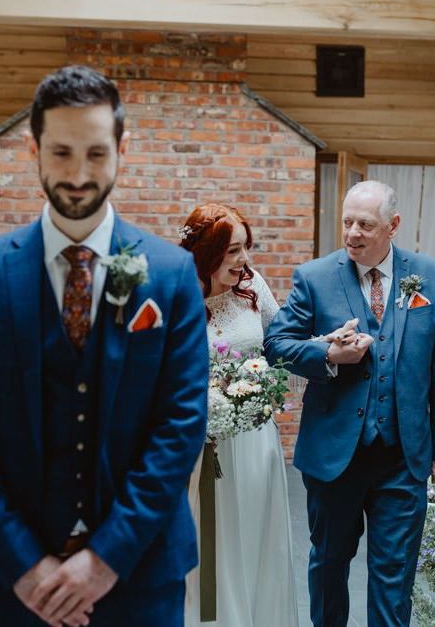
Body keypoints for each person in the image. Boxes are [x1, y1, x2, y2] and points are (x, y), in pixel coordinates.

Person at [0, 65, 209, 627]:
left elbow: (179, 427)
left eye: (96, 154)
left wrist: (106, 561)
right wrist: (25, 564)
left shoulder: (172, 273)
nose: (79, 175)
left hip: (137, 575)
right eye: (60, 153)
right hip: (1, 579)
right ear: (33, 149)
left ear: (121, 150)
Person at [265, 180, 435, 626]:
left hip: (404, 458)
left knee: (393, 575)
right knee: (329, 567)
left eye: (366, 224)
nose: (353, 233)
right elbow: (276, 344)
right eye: (347, 222)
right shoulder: (315, 277)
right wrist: (327, 355)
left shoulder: (428, 276)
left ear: (393, 226)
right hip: (334, 457)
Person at [180, 203, 298, 627]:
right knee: (210, 541)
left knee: (254, 535)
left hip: (253, 441)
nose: (242, 260)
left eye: (245, 248)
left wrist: (325, 346)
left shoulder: (253, 287)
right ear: (206, 253)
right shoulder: (178, 294)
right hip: (197, 446)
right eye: (231, 251)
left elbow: (284, 341)